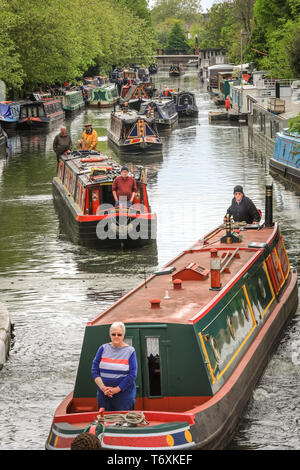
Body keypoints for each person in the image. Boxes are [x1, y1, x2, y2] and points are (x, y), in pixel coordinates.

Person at [91, 321, 137, 411]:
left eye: (119, 334)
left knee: (123, 422)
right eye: (113, 334)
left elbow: (132, 374)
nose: (116, 336)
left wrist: (117, 389)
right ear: (110, 335)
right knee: (105, 420)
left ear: (123, 335)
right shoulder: (103, 348)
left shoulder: (130, 351)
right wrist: (103, 388)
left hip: (123, 395)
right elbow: (94, 370)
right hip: (104, 394)